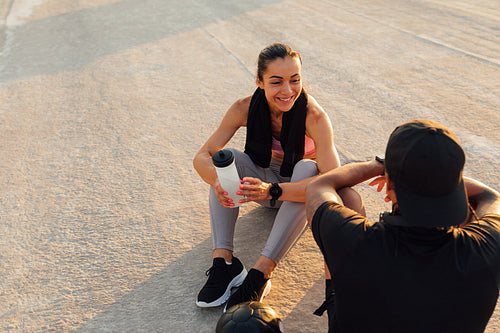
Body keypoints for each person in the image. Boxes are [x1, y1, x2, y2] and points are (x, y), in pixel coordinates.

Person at [193, 43, 362, 312]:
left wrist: (272, 190)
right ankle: (224, 263)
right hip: (260, 184)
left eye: (295, 80)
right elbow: (202, 155)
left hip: (297, 193)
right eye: (277, 81)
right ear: (259, 81)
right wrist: (216, 178)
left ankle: (261, 274)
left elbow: (332, 180)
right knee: (226, 159)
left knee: (308, 168)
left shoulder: (314, 117)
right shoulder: (243, 108)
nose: (288, 90)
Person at [305, 119, 500, 333]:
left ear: (389, 185)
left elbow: (319, 186)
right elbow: (491, 196)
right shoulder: (488, 247)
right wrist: (440, 176)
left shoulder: (351, 238)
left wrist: (380, 166)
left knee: (345, 196)